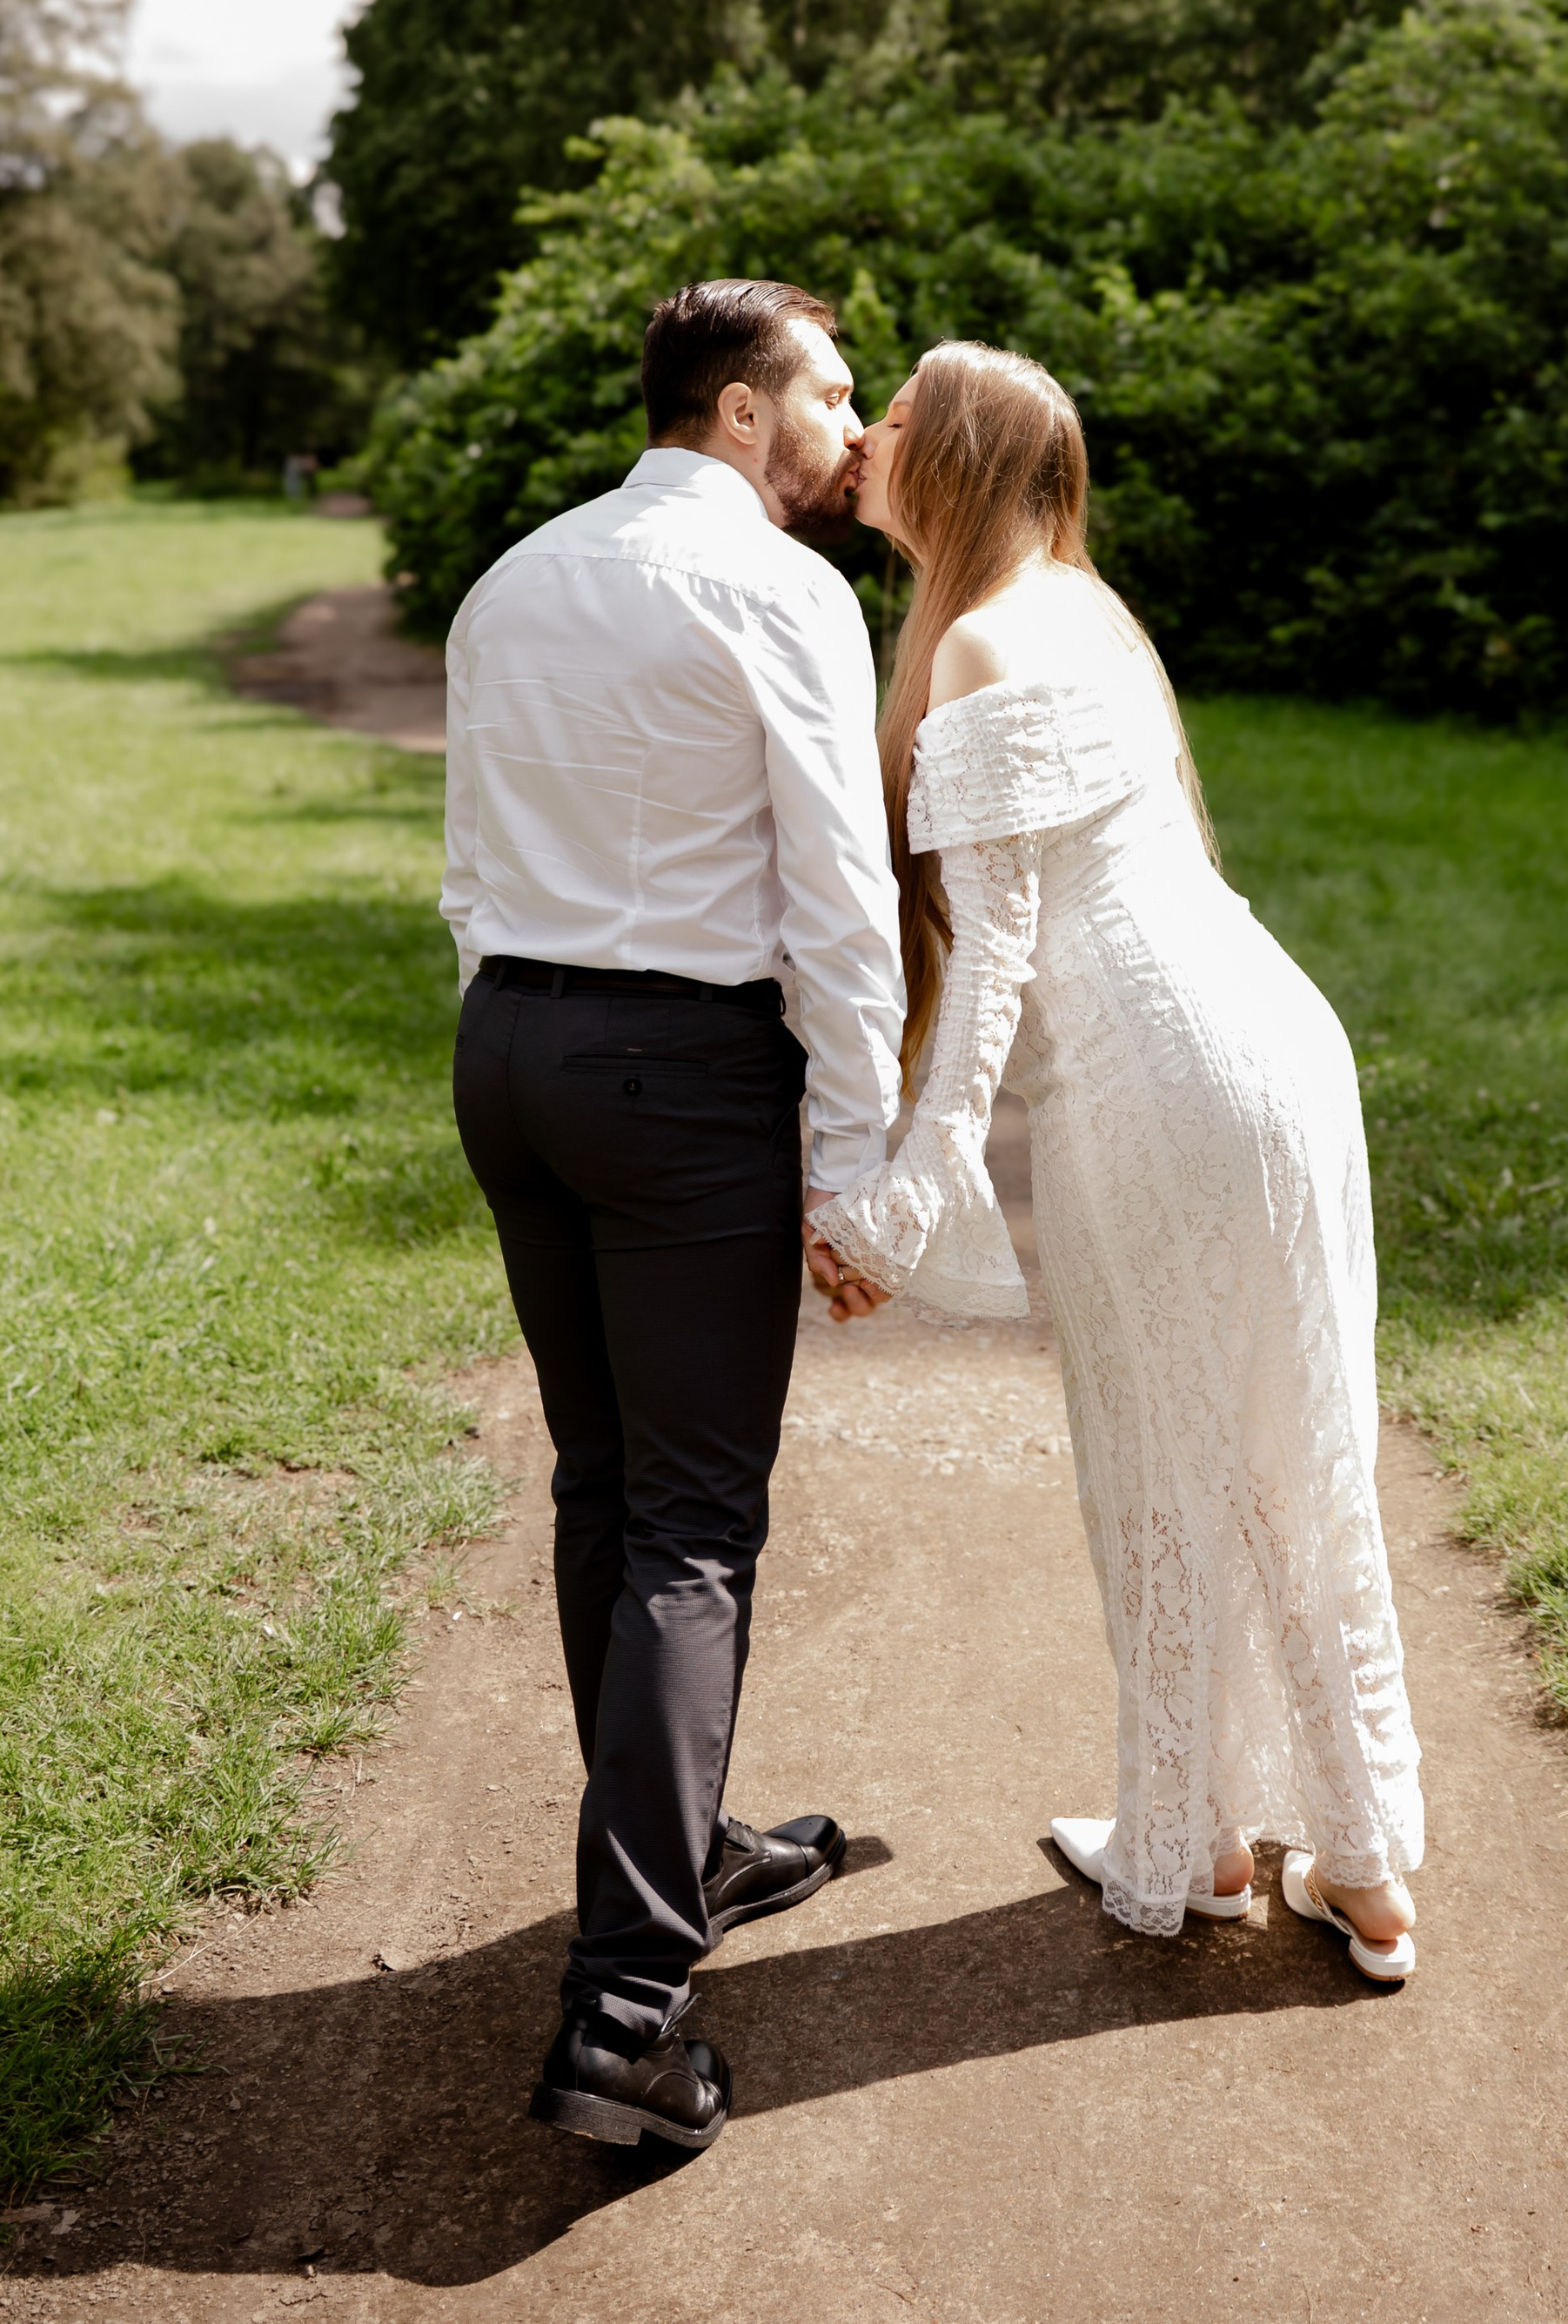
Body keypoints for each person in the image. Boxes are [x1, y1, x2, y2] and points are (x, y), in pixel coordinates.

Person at [807, 342, 1423, 1979]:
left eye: (895, 417)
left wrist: (893, 1204)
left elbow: (996, 964)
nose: (863, 436)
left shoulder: (983, 646)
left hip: (1161, 1096)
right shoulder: (1091, 615)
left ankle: (1197, 1842)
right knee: (1302, 1454)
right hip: (1280, 1044)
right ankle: (1361, 1868)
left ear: (951, 462)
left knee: (1162, 1464)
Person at [443, 278, 905, 2153]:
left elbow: (469, 863)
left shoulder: (512, 576)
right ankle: (625, 2015)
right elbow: (837, 895)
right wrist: (857, 1155)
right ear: (738, 410)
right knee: (690, 1525)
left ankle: (684, 1848)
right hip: (676, 1079)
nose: (852, 426)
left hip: (513, 1052)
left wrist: (517, 1028)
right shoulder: (778, 591)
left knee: (601, 1485)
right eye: (831, 392)